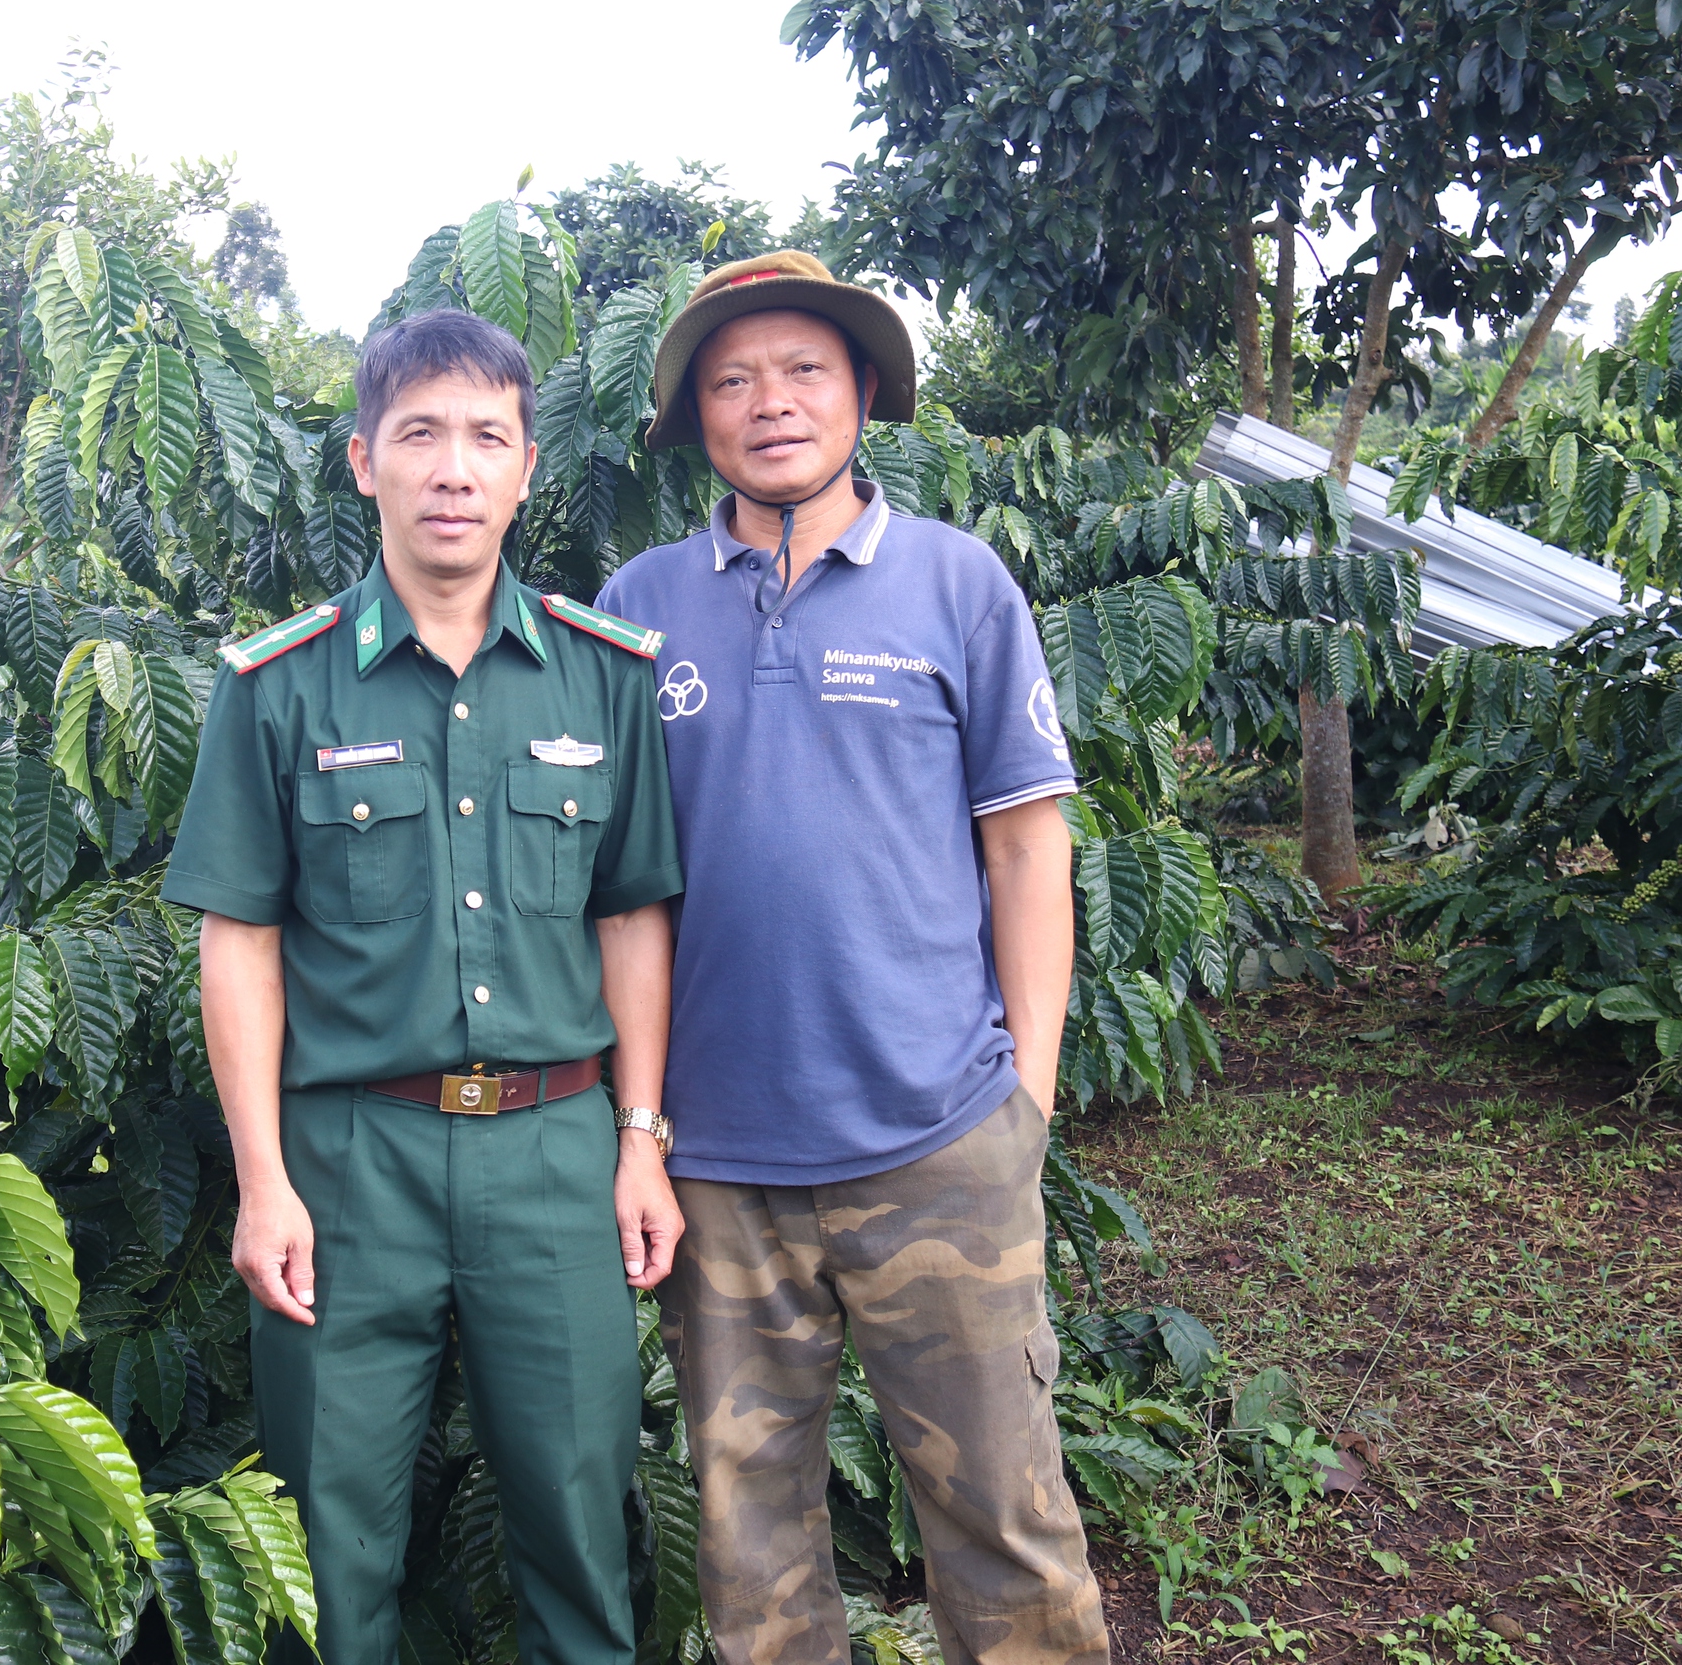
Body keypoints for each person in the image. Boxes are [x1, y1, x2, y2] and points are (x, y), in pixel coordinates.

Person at [593, 252, 1112, 1665]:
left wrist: (1029, 1100)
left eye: (803, 369)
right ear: (695, 415)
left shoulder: (959, 583)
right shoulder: (635, 606)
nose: (771, 403)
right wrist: (641, 1125)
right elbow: (622, 887)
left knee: (1005, 1518)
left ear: (864, 388)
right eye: (731, 379)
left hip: (940, 1140)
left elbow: (1026, 847)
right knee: (751, 1540)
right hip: (720, 1166)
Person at [161, 308, 688, 1665]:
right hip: (349, 1163)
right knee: (329, 1551)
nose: (453, 468)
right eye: (421, 435)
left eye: (486, 438)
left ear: (524, 472)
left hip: (556, 1156)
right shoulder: (275, 689)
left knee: (581, 1529)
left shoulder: (602, 675)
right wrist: (264, 1179)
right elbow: (240, 942)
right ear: (363, 462)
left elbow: (632, 914)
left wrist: (641, 1142)